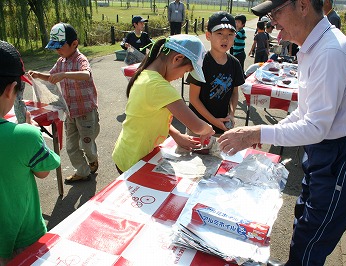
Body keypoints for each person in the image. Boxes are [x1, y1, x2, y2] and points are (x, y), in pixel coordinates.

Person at [218, 0, 346, 265]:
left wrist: (255, 133)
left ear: (303, 5)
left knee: (313, 237)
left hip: (344, 154)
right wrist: (266, 132)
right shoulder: (313, 47)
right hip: (327, 146)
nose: (273, 21)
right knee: (304, 219)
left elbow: (315, 126)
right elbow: (305, 112)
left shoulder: (330, 52)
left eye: (276, 12)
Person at [112, 34, 215, 173]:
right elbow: (196, 126)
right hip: (134, 161)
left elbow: (150, 117)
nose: (181, 76)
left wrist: (176, 134)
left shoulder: (147, 75)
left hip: (129, 152)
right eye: (186, 71)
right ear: (177, 59)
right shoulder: (159, 86)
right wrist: (209, 130)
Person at [0, 41, 60, 264]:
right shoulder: (24, 136)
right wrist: (32, 130)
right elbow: (43, 172)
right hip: (23, 235)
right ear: (10, 90)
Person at [29, 23, 100, 183]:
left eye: (60, 47)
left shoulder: (81, 59)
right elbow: (53, 77)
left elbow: (86, 74)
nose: (57, 51)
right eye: (55, 47)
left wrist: (65, 74)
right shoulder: (61, 61)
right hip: (70, 111)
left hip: (85, 112)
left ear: (74, 44)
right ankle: (83, 171)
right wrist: (39, 75)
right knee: (71, 146)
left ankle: (93, 159)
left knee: (87, 144)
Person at [186, 11, 245, 136]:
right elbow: (193, 98)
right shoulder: (200, 62)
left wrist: (231, 114)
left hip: (222, 127)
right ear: (208, 35)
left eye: (230, 34)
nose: (225, 38)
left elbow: (234, 93)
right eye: (219, 33)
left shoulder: (235, 63)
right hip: (198, 127)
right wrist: (214, 121)